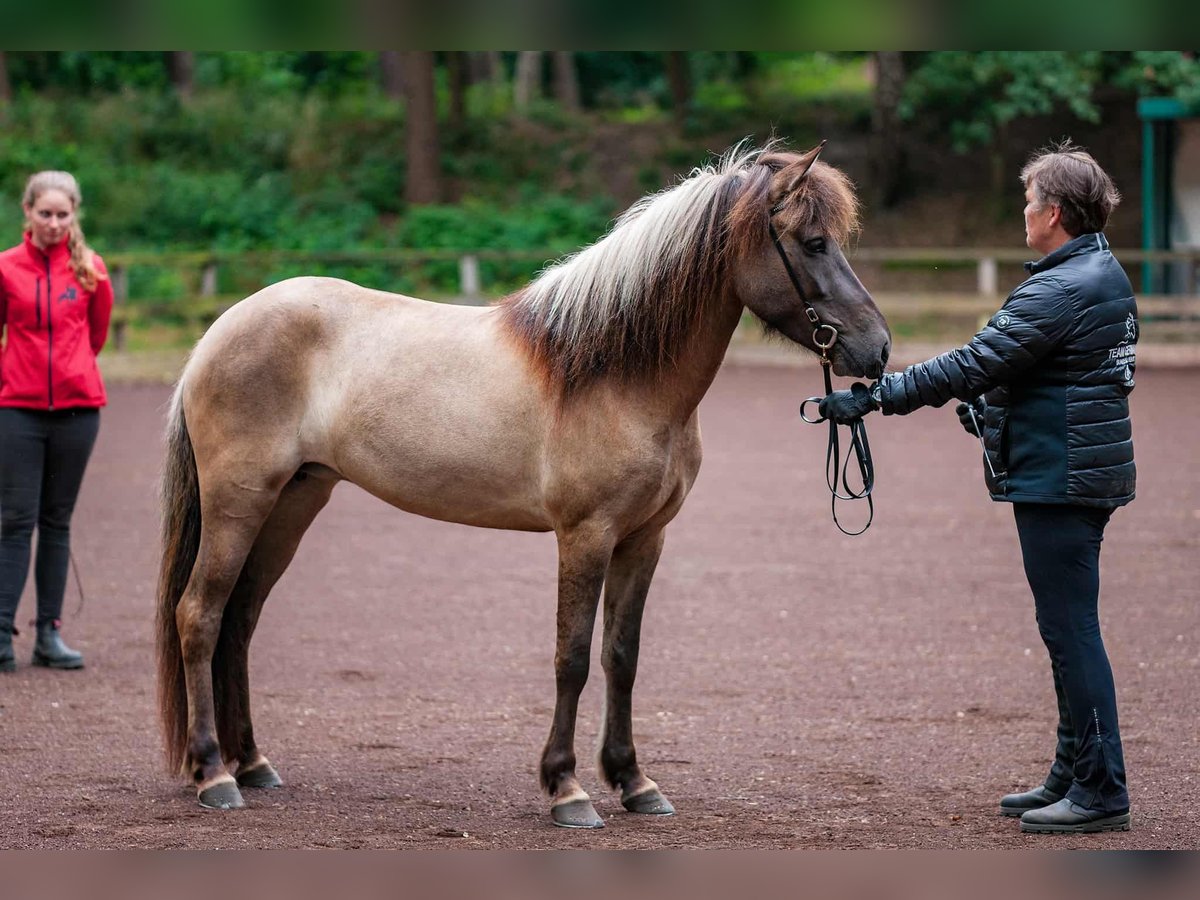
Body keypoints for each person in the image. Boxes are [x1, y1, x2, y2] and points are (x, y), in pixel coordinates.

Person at [820, 141, 1136, 834]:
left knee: (1071, 632)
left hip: (1063, 481)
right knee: (1065, 629)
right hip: (1074, 471)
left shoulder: (1061, 287)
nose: (1023, 213)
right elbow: (1043, 375)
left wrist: (874, 399)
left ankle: (1102, 791)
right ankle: (1074, 771)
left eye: (1029, 202)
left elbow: (977, 360)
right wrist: (993, 413)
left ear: (1053, 212)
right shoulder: (1097, 273)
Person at [0, 171, 113, 672]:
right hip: (17, 410)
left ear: (75, 214)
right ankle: (2, 634)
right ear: (27, 212)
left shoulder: (91, 269)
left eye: (62, 214)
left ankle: (49, 634)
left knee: (56, 521)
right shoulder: (5, 268)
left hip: (77, 411)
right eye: (44, 213)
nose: (53, 223)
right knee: (15, 519)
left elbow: (96, 337)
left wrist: (70, 373)